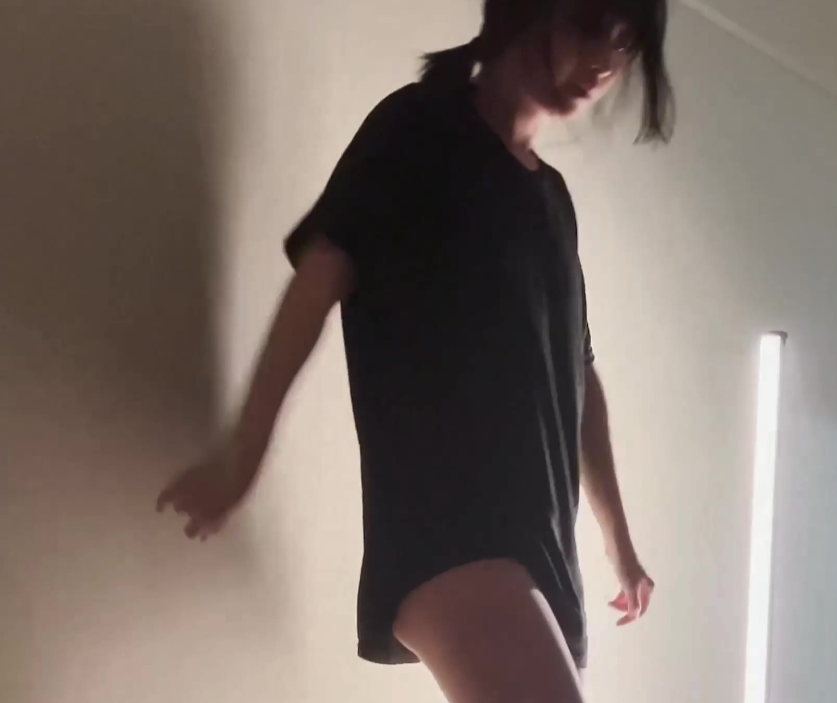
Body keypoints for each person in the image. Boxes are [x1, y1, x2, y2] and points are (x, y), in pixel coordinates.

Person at [157, 0, 674, 700]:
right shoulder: (419, 129)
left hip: (546, 553)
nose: (606, 62)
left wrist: (621, 548)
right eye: (588, 27)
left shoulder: (552, 200)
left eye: (625, 44)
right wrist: (241, 459)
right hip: (448, 531)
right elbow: (318, 281)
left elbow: (579, 375)